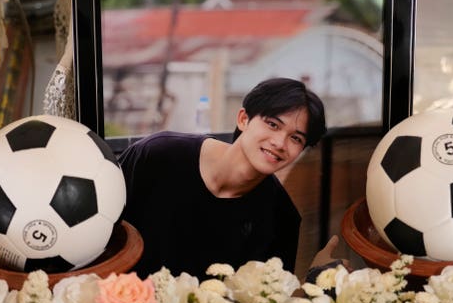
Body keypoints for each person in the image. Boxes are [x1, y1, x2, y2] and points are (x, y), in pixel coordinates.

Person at [118, 77, 349, 280]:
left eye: (296, 138)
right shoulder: (156, 156)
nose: (279, 143)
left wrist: (315, 280)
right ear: (243, 119)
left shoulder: (281, 217)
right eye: (272, 124)